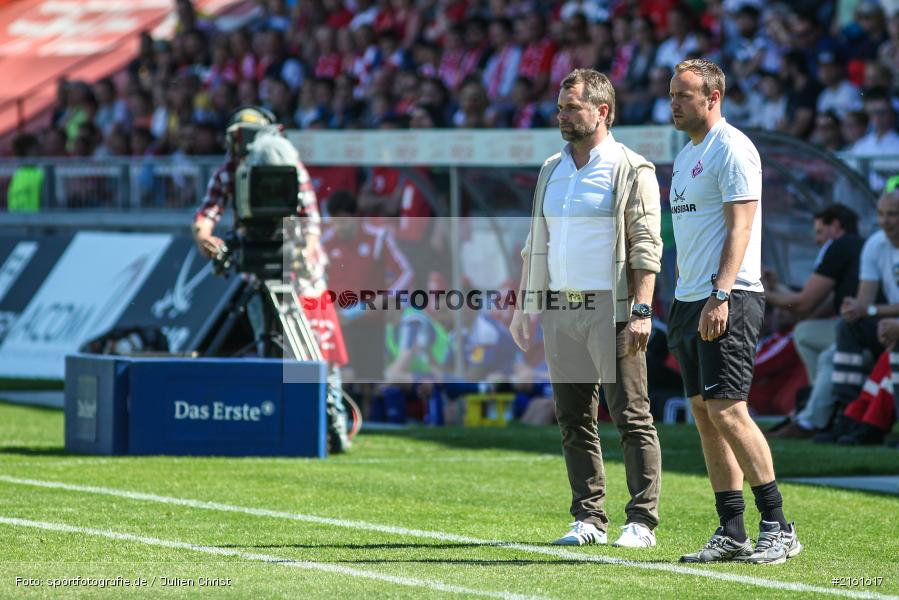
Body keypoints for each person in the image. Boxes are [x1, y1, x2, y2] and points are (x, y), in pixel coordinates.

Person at [510, 69, 662, 549]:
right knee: (573, 419)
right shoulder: (551, 168)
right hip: (562, 309)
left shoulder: (631, 168)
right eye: (560, 107)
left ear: (602, 111)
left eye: (572, 107)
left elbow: (645, 246)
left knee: (631, 416)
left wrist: (642, 308)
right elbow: (538, 242)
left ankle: (641, 521)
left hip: (613, 311)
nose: (562, 115)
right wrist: (525, 305)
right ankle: (589, 519)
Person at [666, 59, 801, 564]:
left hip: (729, 295)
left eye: (684, 95)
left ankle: (778, 525)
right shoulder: (687, 156)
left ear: (713, 97)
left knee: (728, 408)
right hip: (688, 300)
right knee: (705, 415)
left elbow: (740, 228)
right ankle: (733, 530)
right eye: (672, 94)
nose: (674, 103)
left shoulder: (733, 147)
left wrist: (720, 294)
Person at [191, 105, 352, 453]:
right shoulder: (229, 172)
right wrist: (205, 237)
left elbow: (310, 220)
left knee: (315, 349)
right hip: (256, 266)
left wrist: (305, 252)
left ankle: (333, 421)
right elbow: (208, 212)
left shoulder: (289, 166)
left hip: (301, 273)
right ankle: (273, 419)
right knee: (271, 347)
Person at [764, 204, 866, 439]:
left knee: (827, 352)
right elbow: (815, 308)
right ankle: (818, 406)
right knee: (807, 331)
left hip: (861, 331)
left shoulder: (840, 246)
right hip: (857, 328)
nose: (817, 240)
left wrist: (759, 290)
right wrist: (775, 287)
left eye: (820, 232)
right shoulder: (858, 248)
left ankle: (811, 420)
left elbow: (804, 304)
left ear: (836, 227)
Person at [820, 191, 899, 443]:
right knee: (849, 324)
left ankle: (871, 421)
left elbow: (806, 301)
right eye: (881, 214)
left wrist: (873, 312)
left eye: (892, 214)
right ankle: (848, 412)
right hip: (889, 321)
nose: (885, 221)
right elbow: (865, 301)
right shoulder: (876, 244)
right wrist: (853, 307)